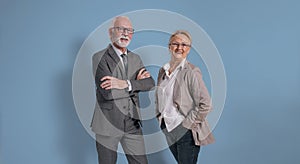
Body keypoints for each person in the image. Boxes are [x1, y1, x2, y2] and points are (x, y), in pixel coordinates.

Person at [91, 16, 155, 164]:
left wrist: (124, 84)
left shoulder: (136, 58)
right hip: (107, 124)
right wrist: (135, 84)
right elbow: (107, 93)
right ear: (110, 32)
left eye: (129, 31)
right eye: (121, 29)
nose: (126, 34)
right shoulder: (99, 57)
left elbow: (150, 83)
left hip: (132, 123)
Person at [155, 30, 215, 164]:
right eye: (175, 43)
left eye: (184, 45)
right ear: (169, 46)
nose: (179, 48)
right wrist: (160, 117)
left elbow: (206, 104)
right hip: (168, 128)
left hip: (185, 131)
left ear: (189, 49)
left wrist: (187, 125)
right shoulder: (162, 71)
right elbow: (159, 97)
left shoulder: (192, 72)